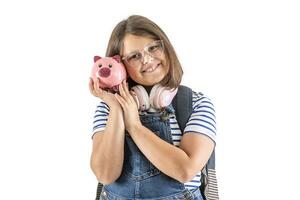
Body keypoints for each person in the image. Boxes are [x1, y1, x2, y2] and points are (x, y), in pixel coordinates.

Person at [88, 15, 216, 200]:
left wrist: (134, 126)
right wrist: (117, 109)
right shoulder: (108, 109)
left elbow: (185, 170)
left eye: (154, 47)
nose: (147, 59)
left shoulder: (194, 104)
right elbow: (105, 174)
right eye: (135, 56)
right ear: (119, 65)